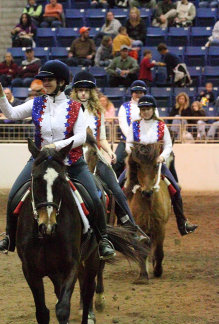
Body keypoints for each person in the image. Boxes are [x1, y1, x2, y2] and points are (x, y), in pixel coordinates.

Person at [0, 60, 115, 260]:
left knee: (94, 198)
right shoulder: (37, 103)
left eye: (50, 79)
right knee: (14, 195)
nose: (45, 83)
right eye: (44, 79)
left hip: (71, 162)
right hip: (40, 161)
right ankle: (9, 238)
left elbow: (81, 137)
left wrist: (55, 146)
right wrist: (0, 95)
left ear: (62, 82)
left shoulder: (75, 107)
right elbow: (12, 114)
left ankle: (103, 240)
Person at [70, 71, 149, 242]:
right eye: (80, 90)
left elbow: (102, 139)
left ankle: (130, 227)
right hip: (72, 154)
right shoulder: (68, 110)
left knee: (114, 187)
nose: (83, 93)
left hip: (94, 154)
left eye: (86, 90)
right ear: (75, 91)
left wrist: (110, 151)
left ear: (91, 92)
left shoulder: (98, 112)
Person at [126, 95, 198, 236]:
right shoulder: (134, 125)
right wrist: (135, 155)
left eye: (148, 109)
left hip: (156, 164)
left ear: (153, 110)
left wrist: (162, 157)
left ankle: (182, 222)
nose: (146, 111)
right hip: (138, 165)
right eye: (143, 109)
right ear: (140, 110)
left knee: (175, 189)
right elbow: (128, 144)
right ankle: (121, 222)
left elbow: (168, 145)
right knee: (119, 185)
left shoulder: (161, 126)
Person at [114, 80, 148, 177]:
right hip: (126, 141)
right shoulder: (124, 107)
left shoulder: (151, 107)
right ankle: (114, 188)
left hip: (146, 142)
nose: (138, 95)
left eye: (140, 92)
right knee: (116, 162)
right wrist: (132, 138)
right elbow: (123, 124)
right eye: (136, 92)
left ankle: (173, 187)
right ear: (132, 93)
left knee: (163, 163)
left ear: (144, 93)